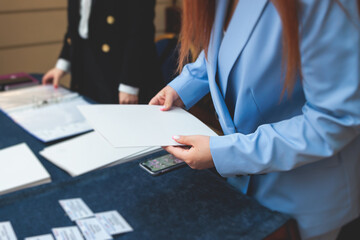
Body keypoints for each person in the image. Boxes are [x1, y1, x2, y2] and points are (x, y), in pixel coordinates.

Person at [150, 0, 360, 239]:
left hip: (304, 192)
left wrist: (225, 153)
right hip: (246, 184)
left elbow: (334, 119)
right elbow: (222, 50)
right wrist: (181, 89)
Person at [43, 0, 163, 104]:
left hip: (122, 69)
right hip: (85, 63)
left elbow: (141, 31)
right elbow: (77, 22)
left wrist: (129, 84)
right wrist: (63, 64)